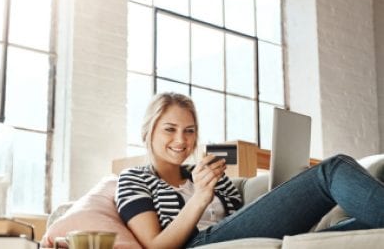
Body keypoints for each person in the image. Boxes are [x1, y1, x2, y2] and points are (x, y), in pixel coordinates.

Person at [115, 92, 384, 249]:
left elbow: (239, 221)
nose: (181, 140)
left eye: (189, 131)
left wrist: (288, 195)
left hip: (232, 233)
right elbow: (155, 245)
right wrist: (199, 197)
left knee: (363, 223)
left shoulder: (207, 173)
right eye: (169, 129)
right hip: (198, 244)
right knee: (332, 169)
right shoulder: (135, 178)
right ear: (148, 131)